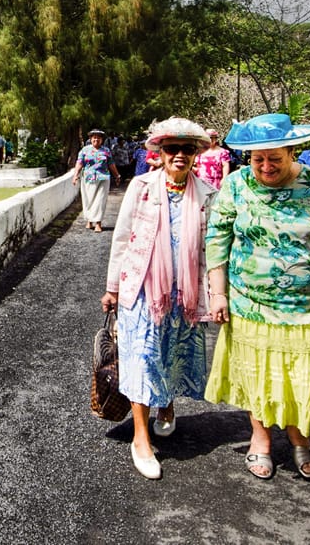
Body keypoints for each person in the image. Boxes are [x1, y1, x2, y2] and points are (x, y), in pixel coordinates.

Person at [204, 113, 310, 481]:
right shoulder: (235, 186)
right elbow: (217, 239)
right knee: (259, 375)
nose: (266, 167)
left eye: (275, 159)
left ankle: (300, 438)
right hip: (252, 304)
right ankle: (261, 440)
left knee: (307, 376)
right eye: (257, 159)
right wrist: (217, 292)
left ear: (292, 152)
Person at [101, 117, 216, 480]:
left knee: (172, 354)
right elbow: (122, 239)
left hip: (185, 293)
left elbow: (214, 249)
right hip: (143, 290)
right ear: (160, 153)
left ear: (196, 154)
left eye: (187, 149)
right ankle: (141, 438)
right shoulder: (142, 187)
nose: (179, 155)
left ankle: (166, 404)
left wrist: (218, 293)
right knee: (143, 357)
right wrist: (112, 288)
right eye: (172, 149)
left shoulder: (209, 193)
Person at [72, 129, 121, 233]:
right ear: (90, 139)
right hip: (88, 178)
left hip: (103, 178)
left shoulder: (106, 151)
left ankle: (98, 223)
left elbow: (111, 164)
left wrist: (117, 175)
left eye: (99, 137)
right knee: (88, 200)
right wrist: (75, 175)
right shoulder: (85, 150)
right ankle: (89, 220)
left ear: (102, 139)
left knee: (100, 200)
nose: (96, 139)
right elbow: (79, 163)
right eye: (94, 137)